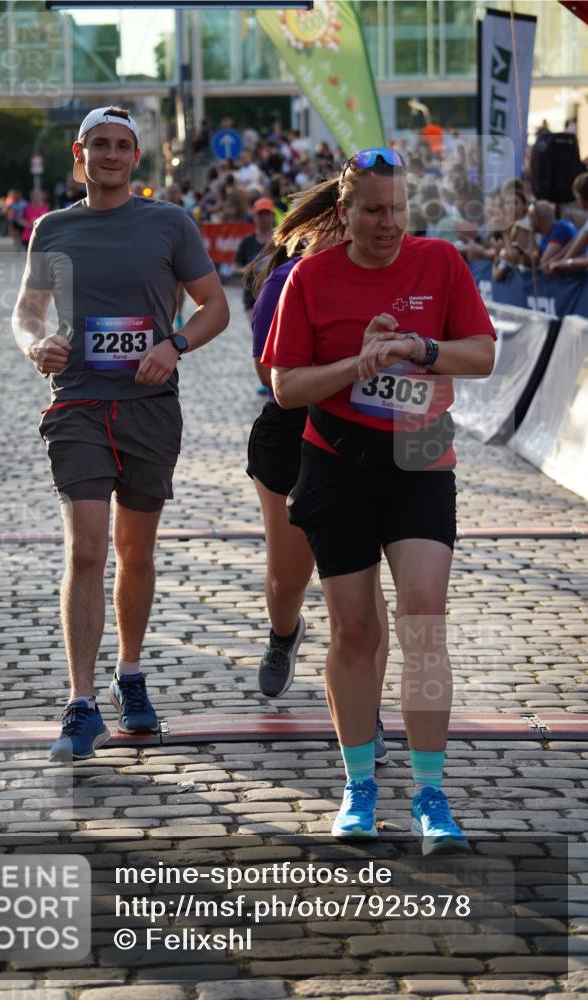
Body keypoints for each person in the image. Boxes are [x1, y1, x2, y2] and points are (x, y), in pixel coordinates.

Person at [261, 147, 495, 852]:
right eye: (372, 209)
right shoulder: (311, 277)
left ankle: (430, 793)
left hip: (421, 453)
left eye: (396, 207)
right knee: (355, 629)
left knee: (422, 616)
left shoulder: (439, 264)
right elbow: (285, 387)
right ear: (345, 212)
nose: (387, 222)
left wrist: (417, 349)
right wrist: (354, 362)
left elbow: (481, 354)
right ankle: (358, 784)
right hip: (337, 460)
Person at [13, 106, 229, 762]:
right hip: (77, 403)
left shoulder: (168, 223)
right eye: (99, 144)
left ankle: (128, 674)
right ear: (79, 155)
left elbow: (214, 305)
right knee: (87, 548)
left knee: (134, 553)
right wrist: (33, 345)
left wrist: (174, 344)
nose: (110, 155)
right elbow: (27, 311)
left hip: (148, 407)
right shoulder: (52, 229)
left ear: (135, 158)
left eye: (122, 146)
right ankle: (81, 705)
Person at [244, 180, 390, 763]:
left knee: (362, 582)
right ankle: (284, 633)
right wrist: (348, 364)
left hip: (368, 434)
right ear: (318, 226)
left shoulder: (391, 275)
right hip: (291, 432)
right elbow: (269, 375)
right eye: (339, 221)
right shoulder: (284, 281)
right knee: (287, 579)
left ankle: (366, 713)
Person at [234, 197, 276, 325]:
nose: (263, 218)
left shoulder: (281, 241)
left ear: (272, 216)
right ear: (254, 217)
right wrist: (247, 269)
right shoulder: (247, 242)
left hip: (276, 295)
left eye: (266, 214)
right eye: (260, 214)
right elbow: (235, 267)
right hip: (252, 298)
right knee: (259, 332)